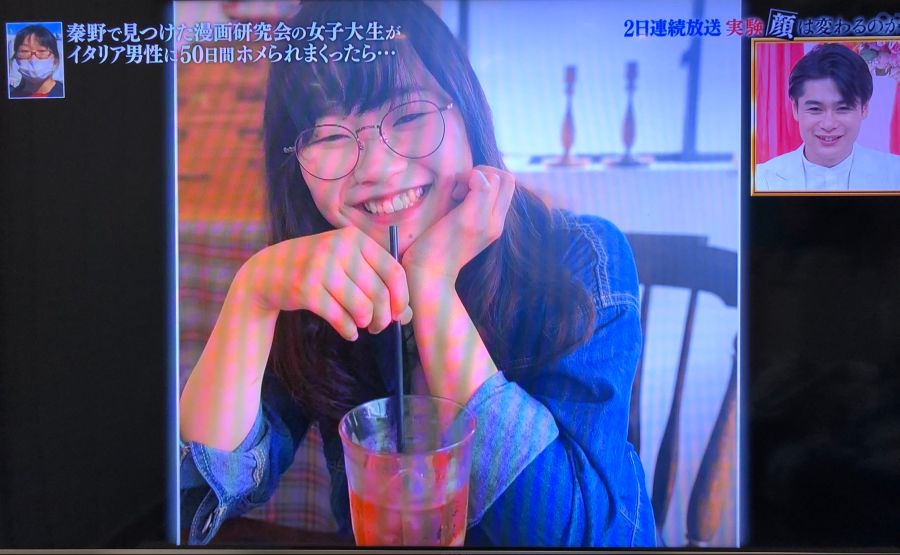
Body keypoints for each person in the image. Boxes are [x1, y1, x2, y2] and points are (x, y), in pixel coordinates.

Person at [179, 0, 654, 547]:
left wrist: (432, 285)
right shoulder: (323, 280)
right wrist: (252, 297)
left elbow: (577, 537)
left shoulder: (582, 258)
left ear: (467, 112)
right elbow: (203, 492)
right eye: (328, 136)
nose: (376, 169)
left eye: (408, 116)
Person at [755, 43, 900, 192]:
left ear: (864, 108)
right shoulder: (761, 180)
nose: (828, 124)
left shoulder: (895, 175)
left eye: (843, 108)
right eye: (815, 109)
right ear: (795, 108)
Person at [8, 24, 64, 98]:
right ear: (16, 59)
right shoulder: (11, 96)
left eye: (42, 51)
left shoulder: (66, 94)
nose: (33, 59)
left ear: (56, 60)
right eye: (25, 51)